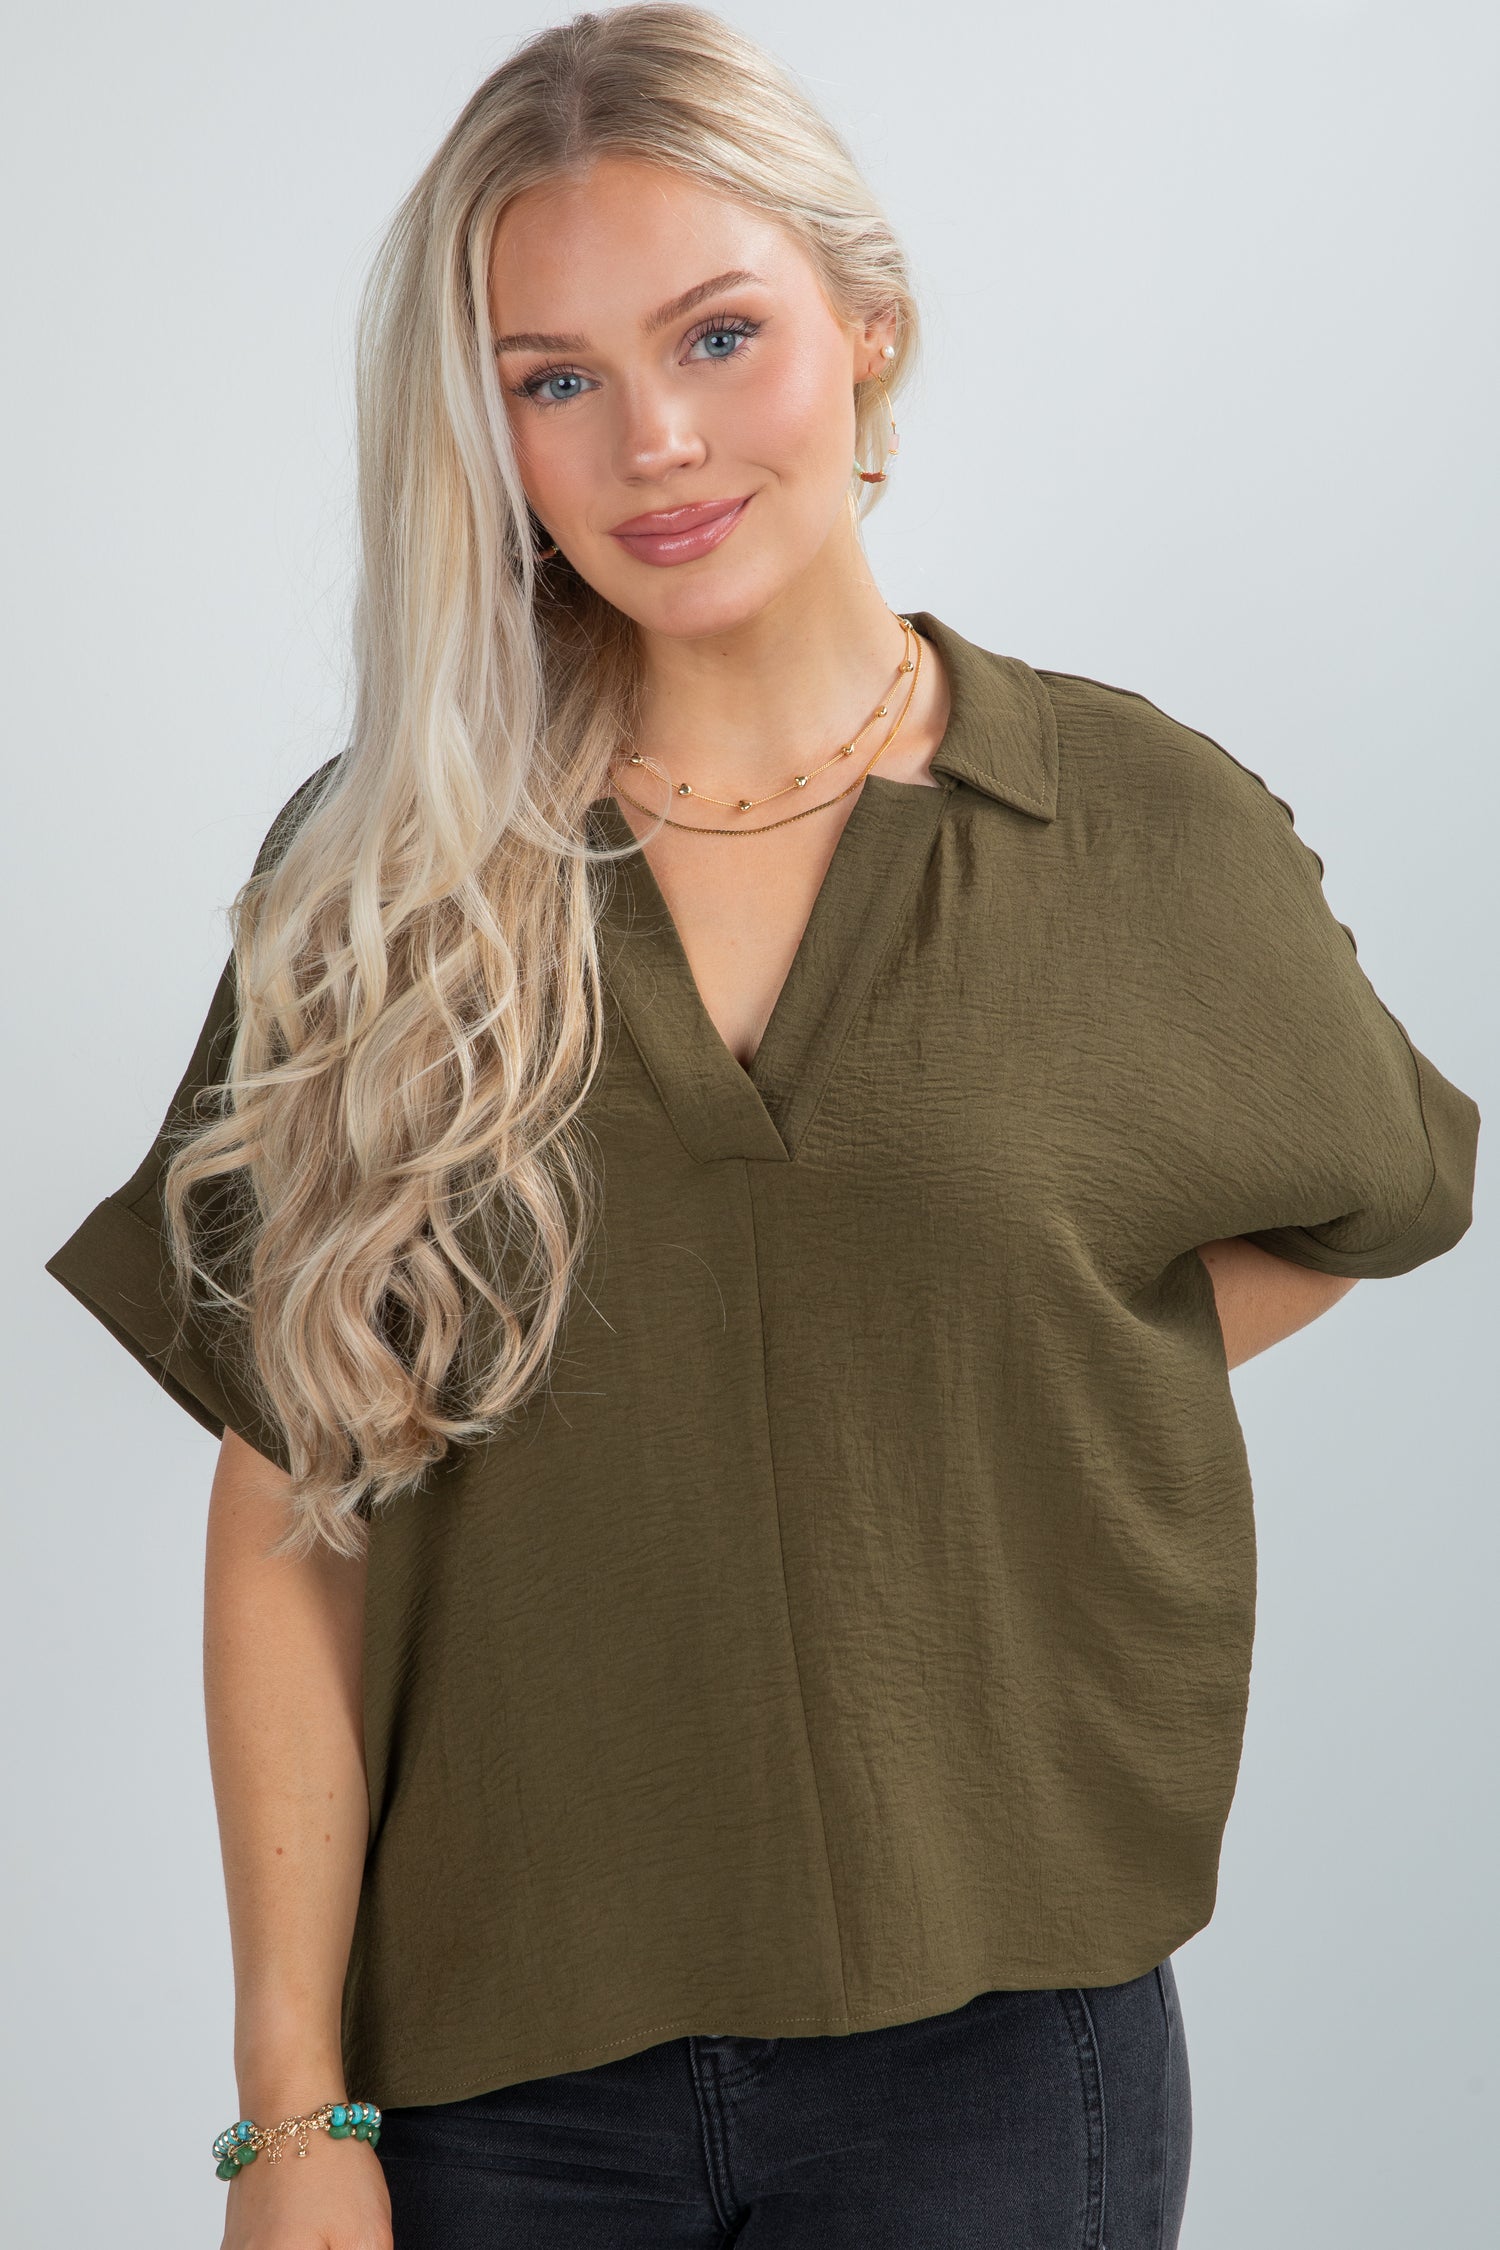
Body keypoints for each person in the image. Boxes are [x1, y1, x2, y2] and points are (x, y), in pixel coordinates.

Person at [46, 7, 1480, 2247]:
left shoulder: (1128, 825)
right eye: (556, 377)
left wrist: (1030, 1359)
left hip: (1005, 2062)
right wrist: (291, 2119)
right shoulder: (383, 884)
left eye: (721, 332)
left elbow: (1392, 1192)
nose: (659, 440)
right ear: (487, 426)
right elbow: (284, 1513)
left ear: (866, 326)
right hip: (491, 2087)